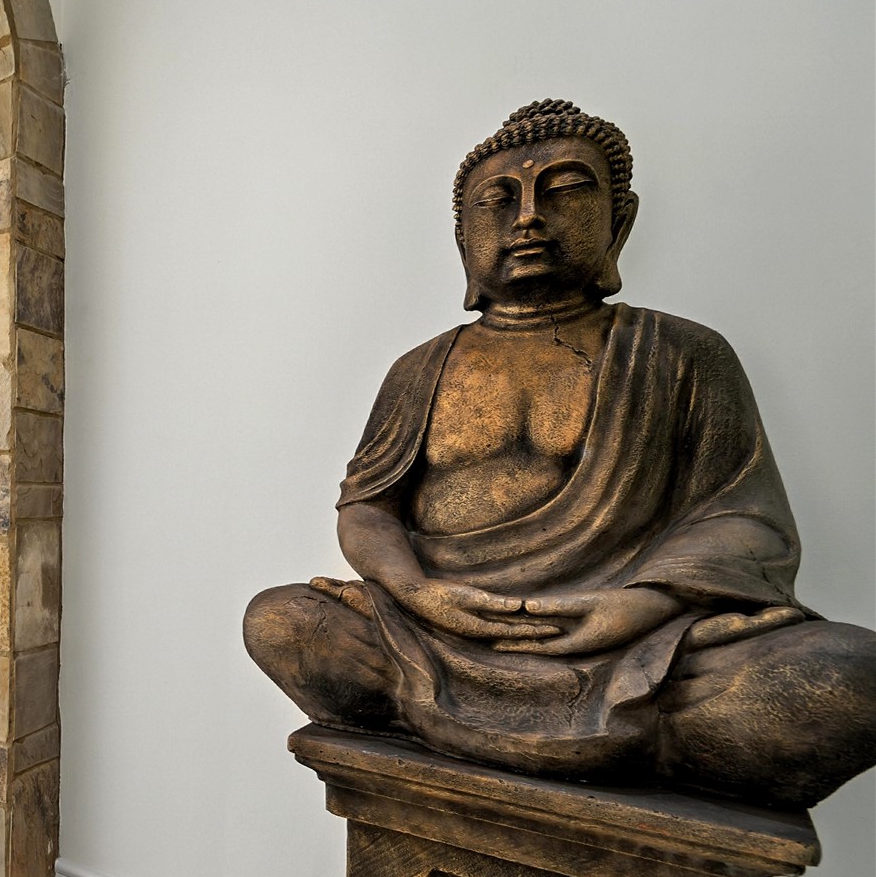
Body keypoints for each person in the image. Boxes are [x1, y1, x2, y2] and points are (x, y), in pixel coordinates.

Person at [244, 100, 876, 810]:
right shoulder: (420, 369)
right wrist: (419, 593)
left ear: (621, 221)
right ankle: (480, 712)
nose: (526, 219)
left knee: (851, 675)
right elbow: (367, 507)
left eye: (566, 190)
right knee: (280, 621)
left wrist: (641, 604)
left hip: (628, 647)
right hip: (436, 632)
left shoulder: (682, 354)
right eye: (497, 201)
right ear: (463, 238)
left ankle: (625, 728)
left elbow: (742, 517)